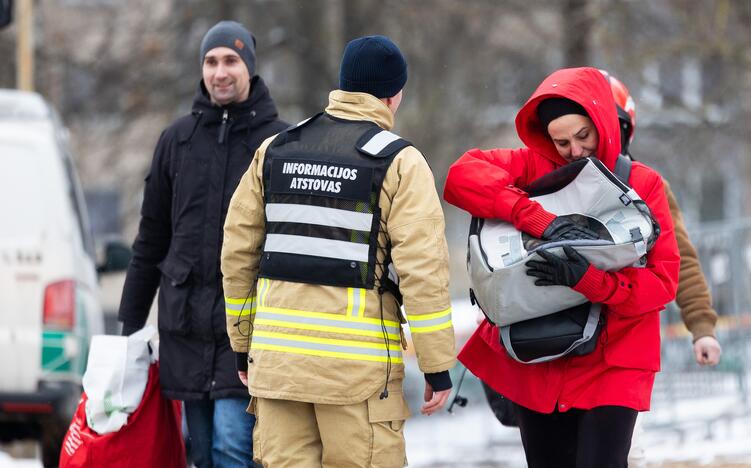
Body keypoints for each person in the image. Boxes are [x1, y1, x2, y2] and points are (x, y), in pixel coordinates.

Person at [221, 35, 456, 467]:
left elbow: (238, 253)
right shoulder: (399, 162)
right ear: (394, 94)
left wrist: (242, 345)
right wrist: (437, 365)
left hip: (278, 369)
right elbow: (423, 270)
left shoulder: (278, 149)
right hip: (357, 378)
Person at [444, 67, 680, 468]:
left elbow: (663, 283)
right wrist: (534, 217)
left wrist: (589, 281)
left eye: (583, 135)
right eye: (561, 141)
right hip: (540, 354)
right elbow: (460, 177)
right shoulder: (532, 166)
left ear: (603, 121)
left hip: (614, 360)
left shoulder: (644, 184)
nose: (575, 150)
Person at [117, 20, 288, 468]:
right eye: (210, 62)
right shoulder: (176, 141)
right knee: (199, 451)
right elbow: (151, 238)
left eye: (230, 60)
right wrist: (129, 322)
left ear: (249, 66)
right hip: (186, 328)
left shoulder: (279, 144)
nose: (220, 72)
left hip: (247, 332)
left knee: (233, 445)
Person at [606, 71, 722, 366]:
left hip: (621, 344)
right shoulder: (547, 184)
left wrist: (702, 327)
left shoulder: (647, 187)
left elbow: (679, 257)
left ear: (622, 130)